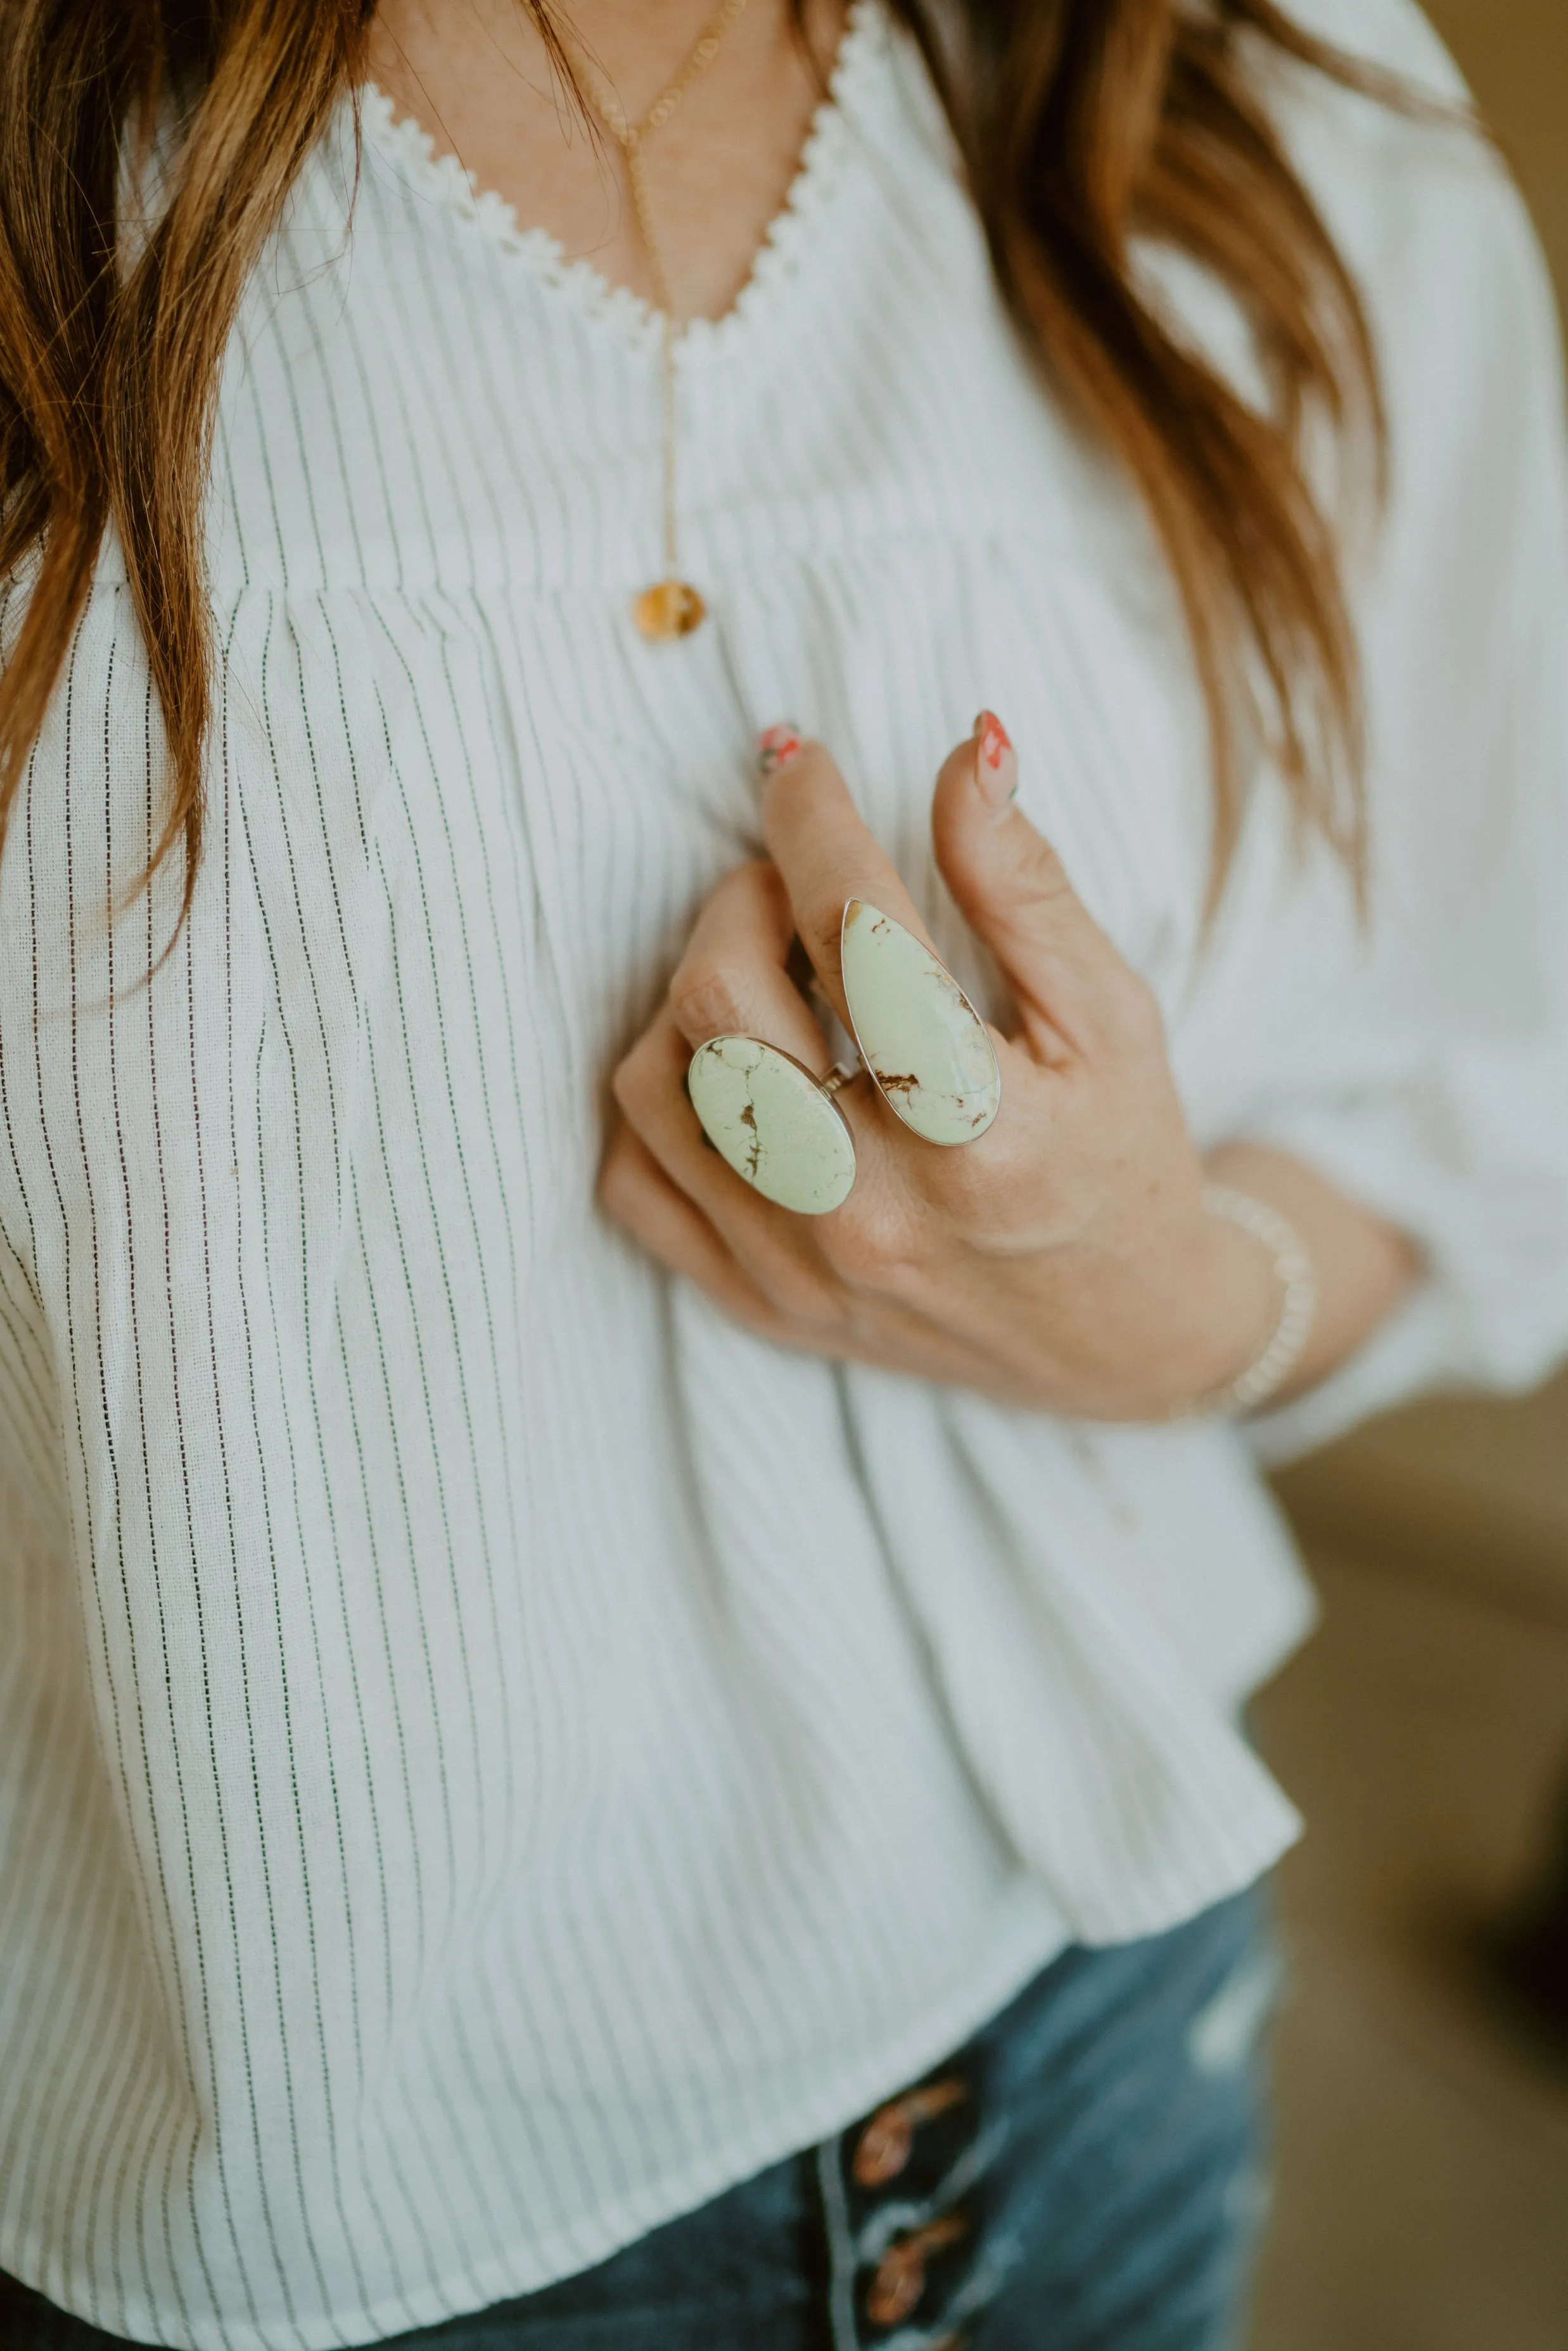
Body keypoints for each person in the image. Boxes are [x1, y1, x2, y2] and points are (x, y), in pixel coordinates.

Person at [1, 0, 1565, 2344]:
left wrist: (1171, 1299)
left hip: (1098, 2048)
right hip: (315, 2223)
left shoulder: (1266, 79)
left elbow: (1487, 1081)